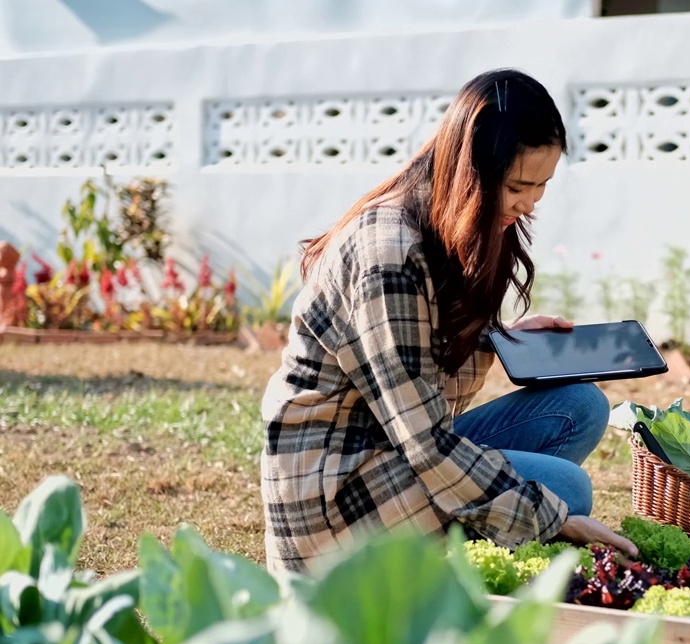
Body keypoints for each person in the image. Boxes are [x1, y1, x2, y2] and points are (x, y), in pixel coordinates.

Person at [259, 68, 638, 574]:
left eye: (542, 185)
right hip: (334, 491)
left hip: (389, 446)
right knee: (565, 490)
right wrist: (548, 518)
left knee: (580, 405)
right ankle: (424, 577)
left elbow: (423, 380)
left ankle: (467, 554)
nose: (530, 204)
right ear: (471, 171)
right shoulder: (388, 253)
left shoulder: (445, 219)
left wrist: (496, 343)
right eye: (517, 186)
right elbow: (425, 439)